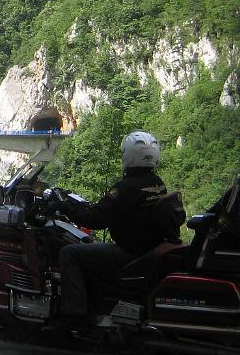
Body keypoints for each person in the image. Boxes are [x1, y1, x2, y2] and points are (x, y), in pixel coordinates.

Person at [54, 131, 172, 324]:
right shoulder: (157, 184)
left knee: (69, 253)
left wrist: (65, 206)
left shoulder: (125, 188)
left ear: (129, 155)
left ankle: (73, 315)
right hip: (149, 249)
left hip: (128, 252)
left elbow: (95, 219)